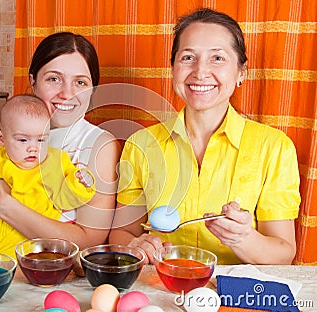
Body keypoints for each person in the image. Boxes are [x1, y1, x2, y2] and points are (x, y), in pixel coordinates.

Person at [109, 8, 301, 265]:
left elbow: (283, 254)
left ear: (241, 72)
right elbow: (123, 233)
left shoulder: (275, 148)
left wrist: (242, 237)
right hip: (159, 288)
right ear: (173, 68)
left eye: (218, 58)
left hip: (234, 298)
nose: (200, 72)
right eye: (188, 57)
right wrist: (136, 245)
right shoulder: (140, 145)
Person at [0, 32, 120, 251]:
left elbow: (88, 241)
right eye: (54, 79)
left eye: (80, 82)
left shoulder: (101, 146)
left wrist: (5, 206)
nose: (67, 93)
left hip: (45, 271)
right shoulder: (3, 139)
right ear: (33, 81)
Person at [0, 94, 96, 259]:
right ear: (2, 138)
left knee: (16, 260)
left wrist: (79, 183)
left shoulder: (56, 163)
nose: (33, 148)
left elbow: (64, 199)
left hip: (23, 237)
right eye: (23, 140)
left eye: (41, 140)